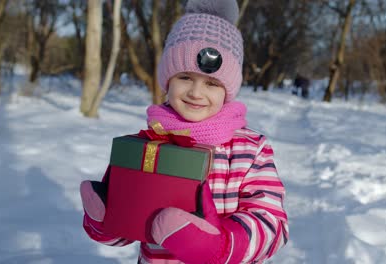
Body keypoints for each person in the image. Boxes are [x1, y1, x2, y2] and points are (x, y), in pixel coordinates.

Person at [79, 0, 289, 263]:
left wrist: (222, 246)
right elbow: (130, 228)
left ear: (228, 89)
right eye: (185, 77)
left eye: (212, 83)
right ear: (168, 80)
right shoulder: (151, 144)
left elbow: (272, 223)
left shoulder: (250, 150)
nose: (196, 93)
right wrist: (105, 218)